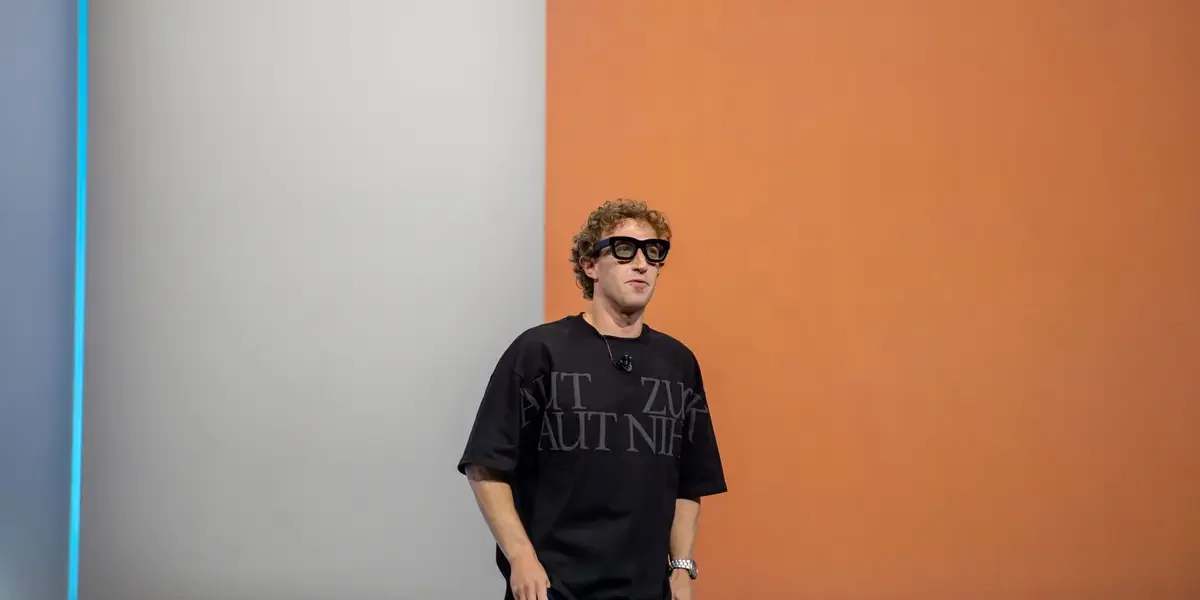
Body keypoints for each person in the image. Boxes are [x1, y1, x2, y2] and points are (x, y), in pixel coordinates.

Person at [457, 198, 728, 600]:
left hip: (648, 590)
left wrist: (682, 568)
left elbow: (689, 482)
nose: (641, 264)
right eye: (624, 249)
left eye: (653, 252)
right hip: (554, 588)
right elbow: (486, 466)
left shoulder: (678, 363)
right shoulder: (539, 351)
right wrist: (521, 558)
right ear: (589, 265)